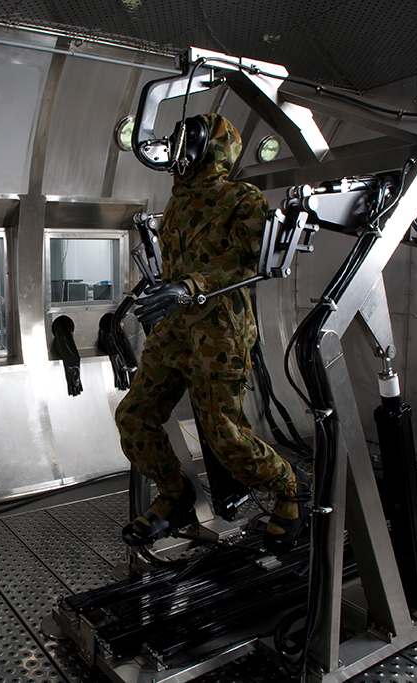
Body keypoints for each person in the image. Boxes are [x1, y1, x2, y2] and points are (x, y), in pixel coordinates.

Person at [115, 113, 311, 555]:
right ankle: (175, 494)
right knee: (134, 416)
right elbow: (176, 264)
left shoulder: (241, 198)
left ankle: (288, 488)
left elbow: (253, 266)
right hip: (174, 329)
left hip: (219, 332)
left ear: (211, 147)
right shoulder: (179, 203)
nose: (179, 152)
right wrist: (161, 287)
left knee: (223, 435)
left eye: (189, 142)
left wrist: (189, 287)